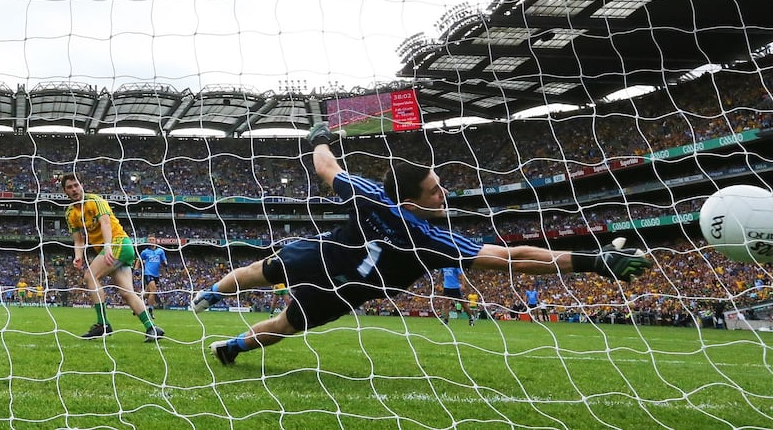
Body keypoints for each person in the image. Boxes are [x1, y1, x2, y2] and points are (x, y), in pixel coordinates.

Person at [193, 123, 652, 365]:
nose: (444, 194)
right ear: (411, 201)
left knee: (287, 324)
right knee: (262, 272)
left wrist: (592, 260)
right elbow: (328, 169)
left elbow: (325, 165)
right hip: (321, 258)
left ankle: (233, 346)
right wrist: (319, 141)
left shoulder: (427, 234)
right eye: (436, 190)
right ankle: (213, 292)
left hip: (345, 289)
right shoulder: (420, 230)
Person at [61, 173, 164, 342]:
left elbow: (106, 223)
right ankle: (152, 328)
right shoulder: (70, 213)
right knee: (126, 292)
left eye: (76, 185)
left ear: (81, 185)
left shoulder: (96, 201)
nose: (74, 189)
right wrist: (78, 257)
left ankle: (103, 325)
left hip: (118, 243)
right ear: (65, 191)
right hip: (113, 249)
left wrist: (108, 246)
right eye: (69, 187)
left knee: (90, 276)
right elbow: (78, 240)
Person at [133, 234, 167, 319]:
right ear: (148, 242)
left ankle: (135, 307)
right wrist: (136, 270)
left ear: (155, 241)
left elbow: (164, 260)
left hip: (156, 275)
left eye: (152, 240)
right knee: (153, 290)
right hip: (148, 273)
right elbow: (138, 261)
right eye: (150, 240)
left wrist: (165, 263)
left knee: (146, 293)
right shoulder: (145, 252)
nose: (151, 241)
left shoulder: (160, 251)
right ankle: (150, 309)